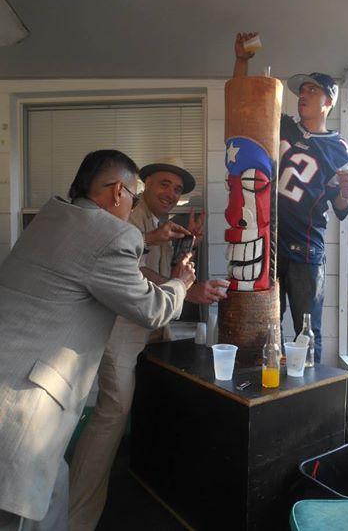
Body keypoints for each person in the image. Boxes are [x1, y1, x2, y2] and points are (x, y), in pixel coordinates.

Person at [0, 149, 195, 531]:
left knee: (53, 496)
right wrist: (182, 283)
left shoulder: (50, 216)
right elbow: (151, 309)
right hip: (22, 409)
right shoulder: (116, 233)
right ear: (119, 192)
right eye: (134, 197)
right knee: (25, 512)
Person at [69, 157, 229, 531]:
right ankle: (77, 515)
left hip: (155, 327)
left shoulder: (161, 223)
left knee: (152, 401)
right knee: (113, 411)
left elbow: (172, 273)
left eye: (177, 189)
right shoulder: (128, 218)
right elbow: (135, 270)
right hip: (122, 330)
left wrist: (191, 241)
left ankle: (145, 479)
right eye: (164, 184)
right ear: (144, 186)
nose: (171, 193)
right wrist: (189, 291)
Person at [233, 33, 348, 362]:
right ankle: (267, 385)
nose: (303, 94)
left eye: (312, 90)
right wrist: (242, 62)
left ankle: (308, 390)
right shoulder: (283, 125)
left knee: (307, 332)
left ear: (328, 101)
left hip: (306, 251)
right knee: (264, 327)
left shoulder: (340, 149)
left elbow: (342, 208)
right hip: (268, 242)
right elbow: (244, 106)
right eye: (302, 90)